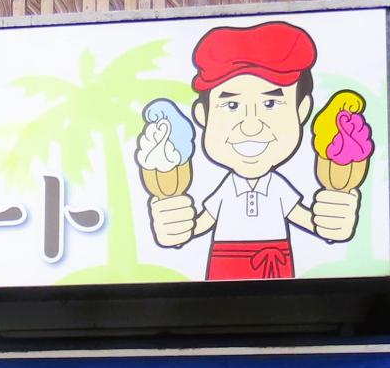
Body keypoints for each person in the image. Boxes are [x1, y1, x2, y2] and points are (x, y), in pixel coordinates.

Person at [146, 22, 361, 279]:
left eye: (270, 103)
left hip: (277, 265)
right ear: (203, 115)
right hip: (224, 266)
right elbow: (201, 223)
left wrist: (332, 223)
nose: (251, 126)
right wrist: (176, 227)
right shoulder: (227, 189)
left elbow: (307, 220)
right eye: (232, 105)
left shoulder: (278, 187)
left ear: (302, 110)